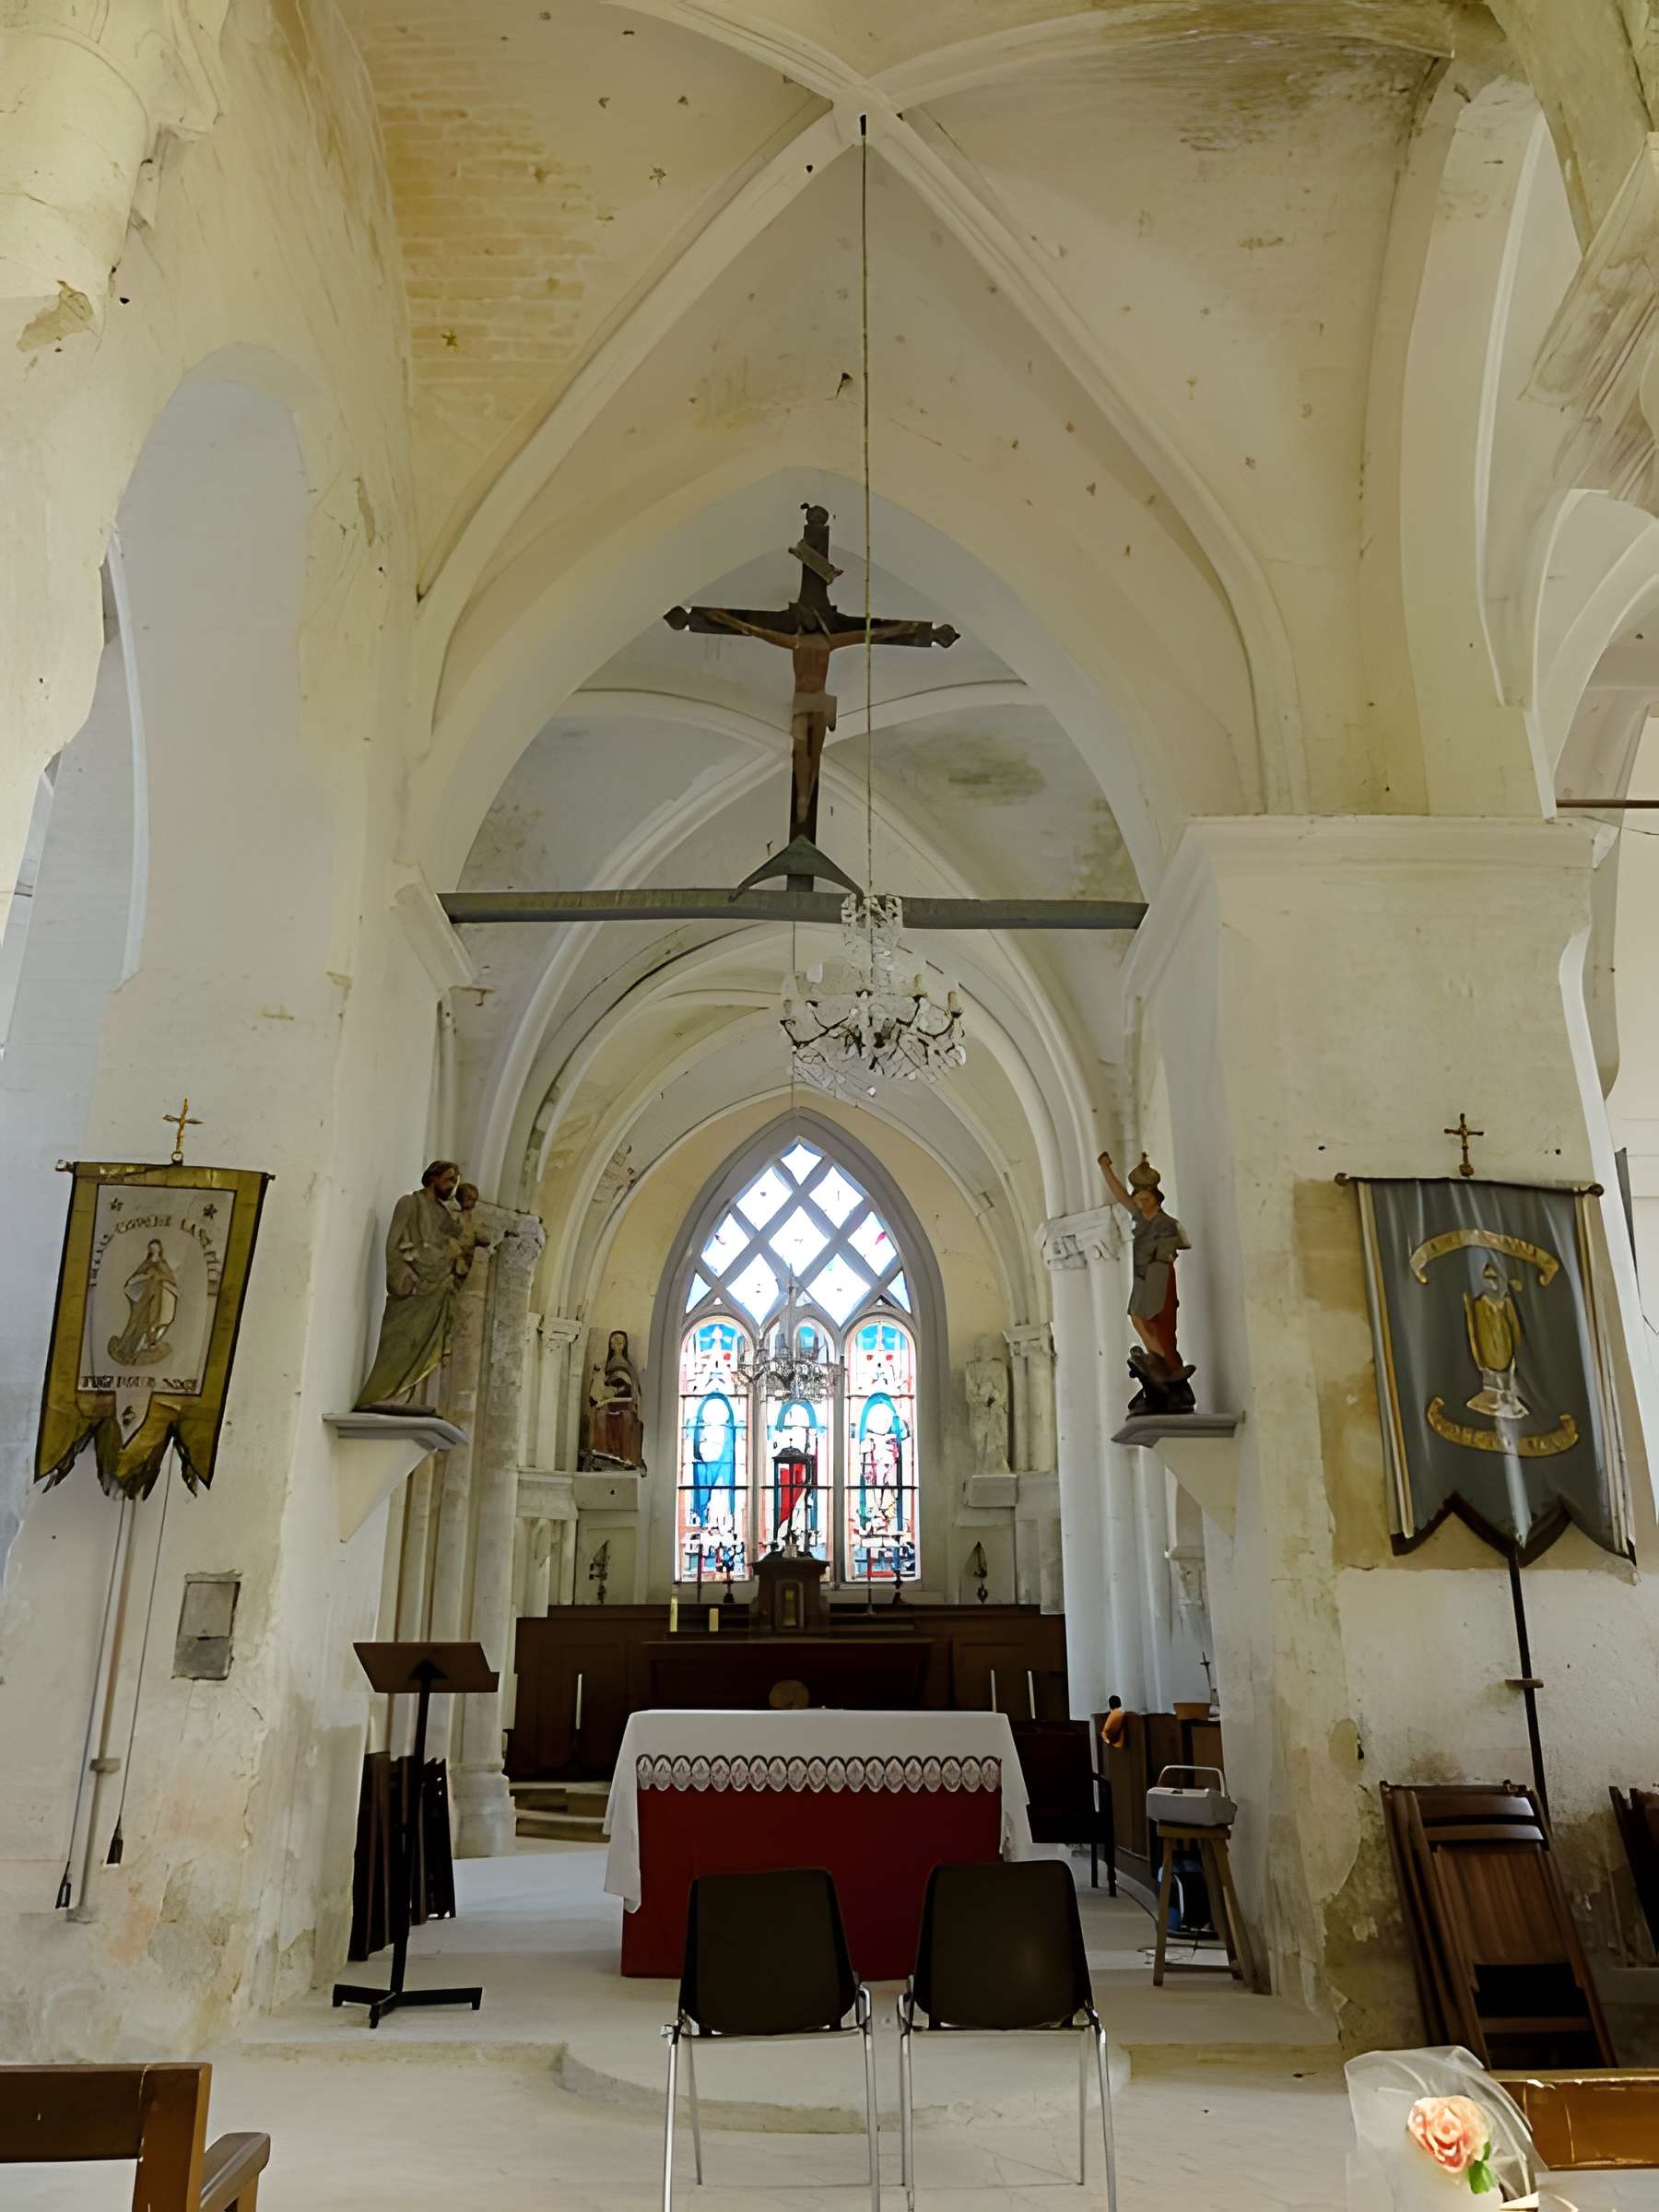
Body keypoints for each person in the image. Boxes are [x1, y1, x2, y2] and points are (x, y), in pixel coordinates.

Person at [354, 1160, 465, 1411]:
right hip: (412, 1288)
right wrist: (401, 1278)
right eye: (449, 1180)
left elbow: (460, 1240)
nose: (453, 1186)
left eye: (455, 1181)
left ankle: (402, 1397)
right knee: (400, 1342)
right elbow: (394, 1244)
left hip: (436, 1289)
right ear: (434, 1178)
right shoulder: (409, 1204)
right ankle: (380, 1394)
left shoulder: (444, 1215)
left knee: (425, 1345)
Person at [1099, 1150, 1196, 1414]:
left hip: (1160, 1276)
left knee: (1157, 1324)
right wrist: (1105, 1169)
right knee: (1139, 1319)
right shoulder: (1141, 1218)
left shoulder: (1165, 1224)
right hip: (1143, 1276)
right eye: (1138, 1200)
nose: (1140, 1204)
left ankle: (1170, 1369)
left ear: (1155, 1197)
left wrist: (1154, 1283)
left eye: (1144, 1199)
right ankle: (1163, 1367)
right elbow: (1120, 1197)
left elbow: (1166, 1255)